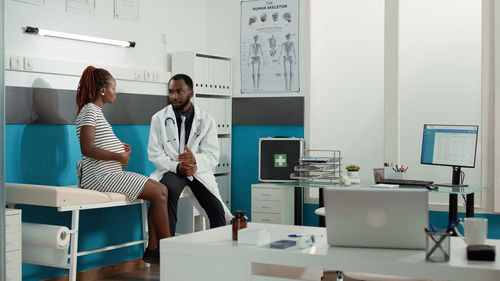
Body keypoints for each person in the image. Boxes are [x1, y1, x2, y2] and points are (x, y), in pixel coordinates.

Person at [75, 66, 169, 264]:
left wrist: (119, 148)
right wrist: (119, 156)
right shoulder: (90, 110)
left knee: (161, 191)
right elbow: (87, 148)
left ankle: (154, 249)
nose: (115, 92)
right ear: (103, 90)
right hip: (100, 178)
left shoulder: (96, 112)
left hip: (108, 174)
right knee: (160, 192)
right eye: (113, 88)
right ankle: (167, 250)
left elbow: (97, 143)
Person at [148, 74, 232, 236]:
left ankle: (220, 251)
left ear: (191, 93)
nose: (174, 96)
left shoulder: (207, 120)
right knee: (168, 191)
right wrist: (177, 166)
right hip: (172, 170)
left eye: (179, 92)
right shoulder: (158, 118)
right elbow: (155, 153)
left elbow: (212, 155)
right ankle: (166, 246)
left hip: (197, 171)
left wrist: (194, 161)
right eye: (171, 92)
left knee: (216, 209)